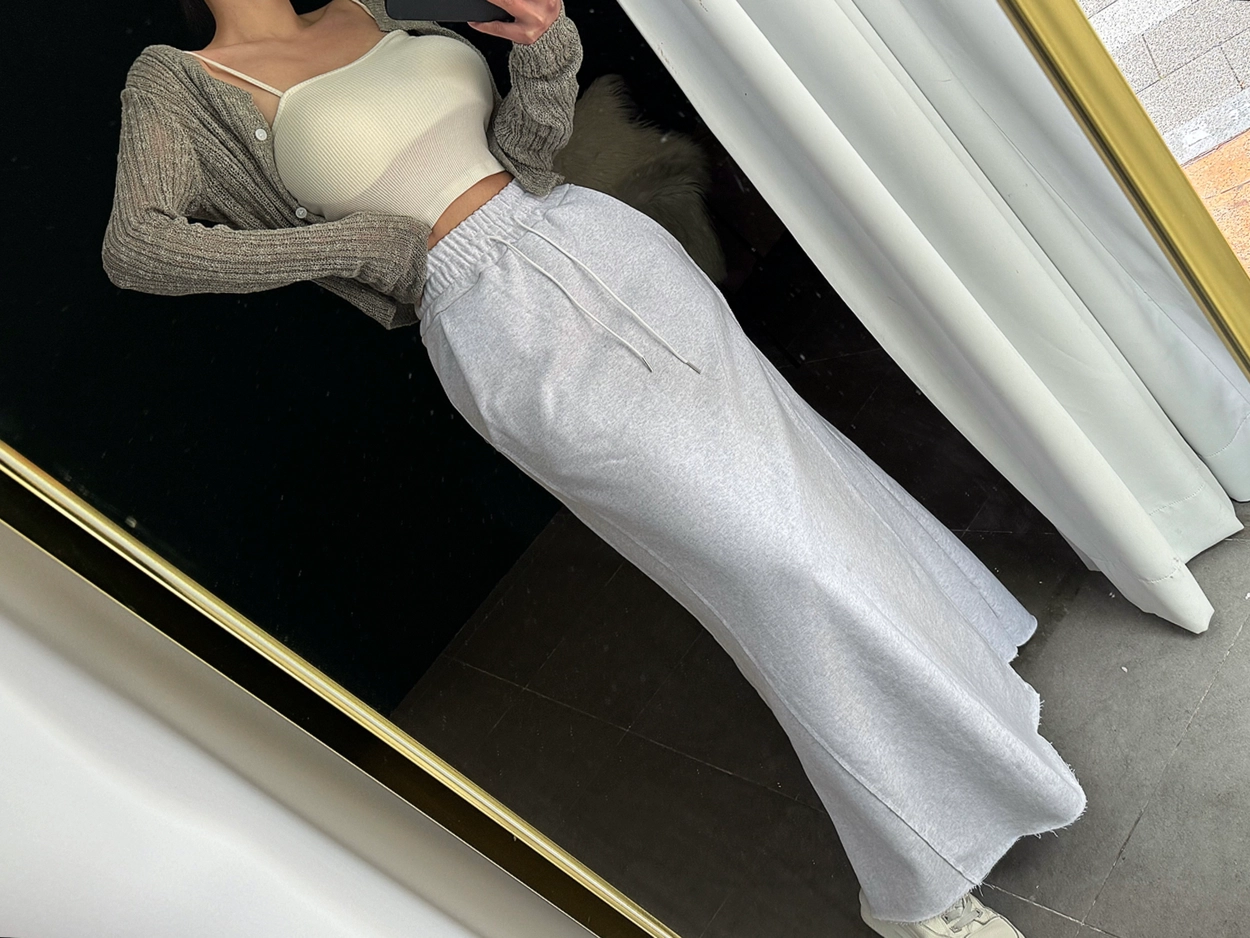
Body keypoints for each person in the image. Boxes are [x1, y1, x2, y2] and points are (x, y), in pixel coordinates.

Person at [101, 0, 1087, 934]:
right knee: (769, 564)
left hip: (602, 244)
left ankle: (965, 694)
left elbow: (526, 155)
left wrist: (541, 46)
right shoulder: (178, 82)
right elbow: (139, 247)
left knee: (806, 484)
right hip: (499, 330)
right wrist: (361, 244)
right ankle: (914, 882)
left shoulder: (372, 7)